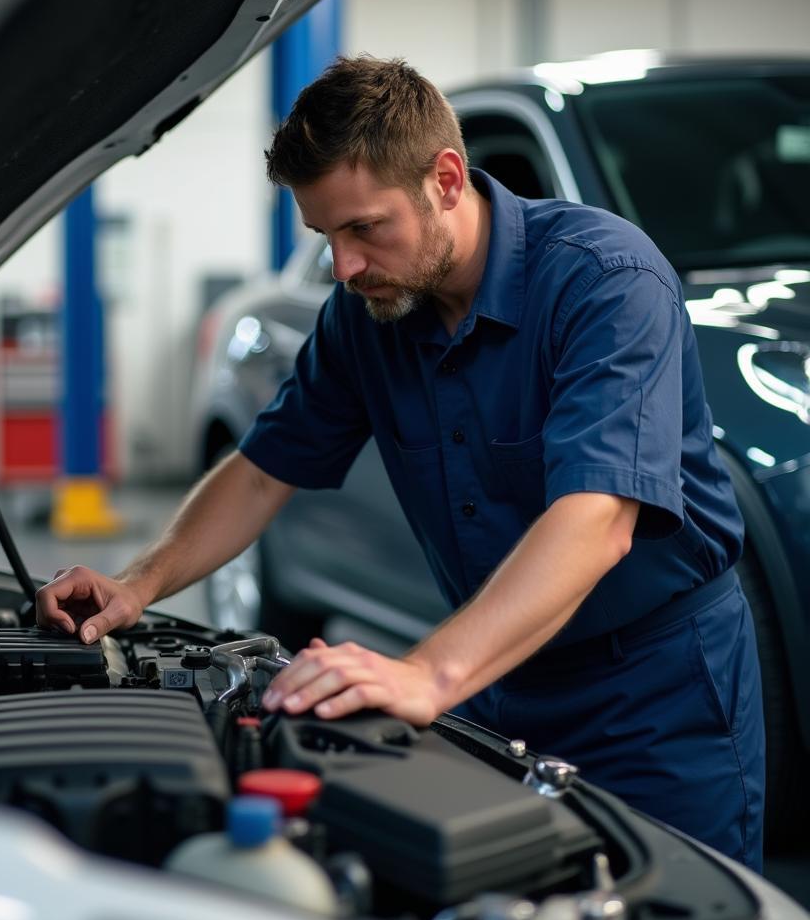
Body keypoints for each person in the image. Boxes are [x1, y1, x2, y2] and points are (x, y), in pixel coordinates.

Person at [37, 56, 765, 870]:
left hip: (657, 695)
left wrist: (426, 675)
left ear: (446, 179)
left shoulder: (604, 283)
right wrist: (137, 584)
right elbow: (261, 469)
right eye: (326, 237)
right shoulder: (368, 319)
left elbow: (596, 523)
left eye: (365, 228)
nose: (344, 268)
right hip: (500, 681)